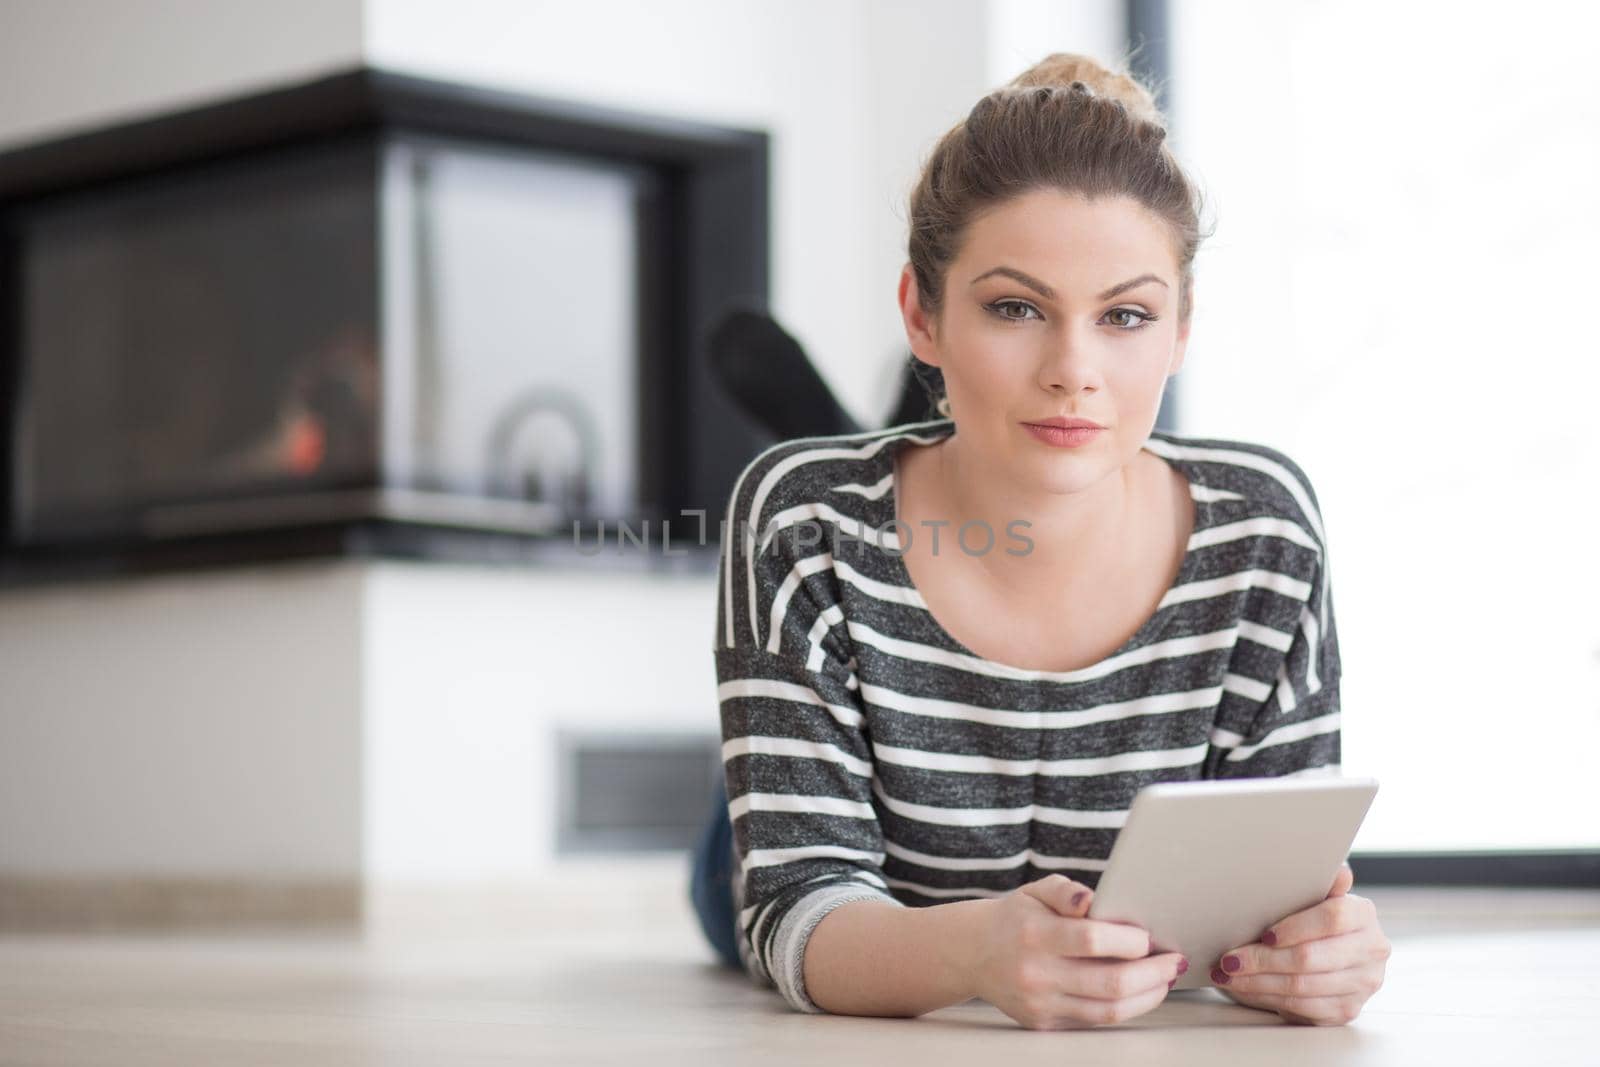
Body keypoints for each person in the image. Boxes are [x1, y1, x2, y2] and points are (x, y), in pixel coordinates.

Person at [688, 51, 1390, 1030]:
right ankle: (878, 446)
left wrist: (1320, 949)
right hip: (841, 854)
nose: (1074, 370)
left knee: (850, 486)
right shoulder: (798, 521)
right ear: (920, 313)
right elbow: (796, 905)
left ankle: (897, 425)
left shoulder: (1261, 526)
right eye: (1014, 308)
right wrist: (975, 951)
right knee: (725, 867)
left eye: (1126, 316)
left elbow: (1276, 900)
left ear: (1180, 333)